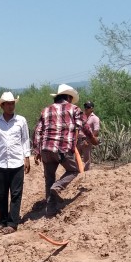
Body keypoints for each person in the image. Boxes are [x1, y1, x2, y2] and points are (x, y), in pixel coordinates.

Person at [33, 84, 94, 217]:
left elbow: (37, 130)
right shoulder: (74, 109)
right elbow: (85, 126)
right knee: (73, 170)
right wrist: (93, 139)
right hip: (63, 148)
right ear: (68, 97)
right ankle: (58, 187)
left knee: (49, 178)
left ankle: (51, 209)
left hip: (46, 148)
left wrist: (37, 150)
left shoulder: (46, 110)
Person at [0, 91, 31, 234]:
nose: (11, 106)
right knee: (2, 195)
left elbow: (25, 140)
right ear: (2, 106)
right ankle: (3, 221)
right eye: (8, 104)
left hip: (17, 163)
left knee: (16, 194)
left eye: (12, 103)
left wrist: (27, 157)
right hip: (1, 163)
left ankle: (12, 223)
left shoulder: (21, 121)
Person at [77, 101, 101, 169]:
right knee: (76, 159)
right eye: (85, 107)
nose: (86, 108)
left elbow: (96, 131)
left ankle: (86, 175)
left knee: (86, 160)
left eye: (88, 107)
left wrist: (88, 141)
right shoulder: (82, 117)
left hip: (87, 141)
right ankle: (77, 174)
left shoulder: (95, 118)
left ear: (92, 109)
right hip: (78, 141)